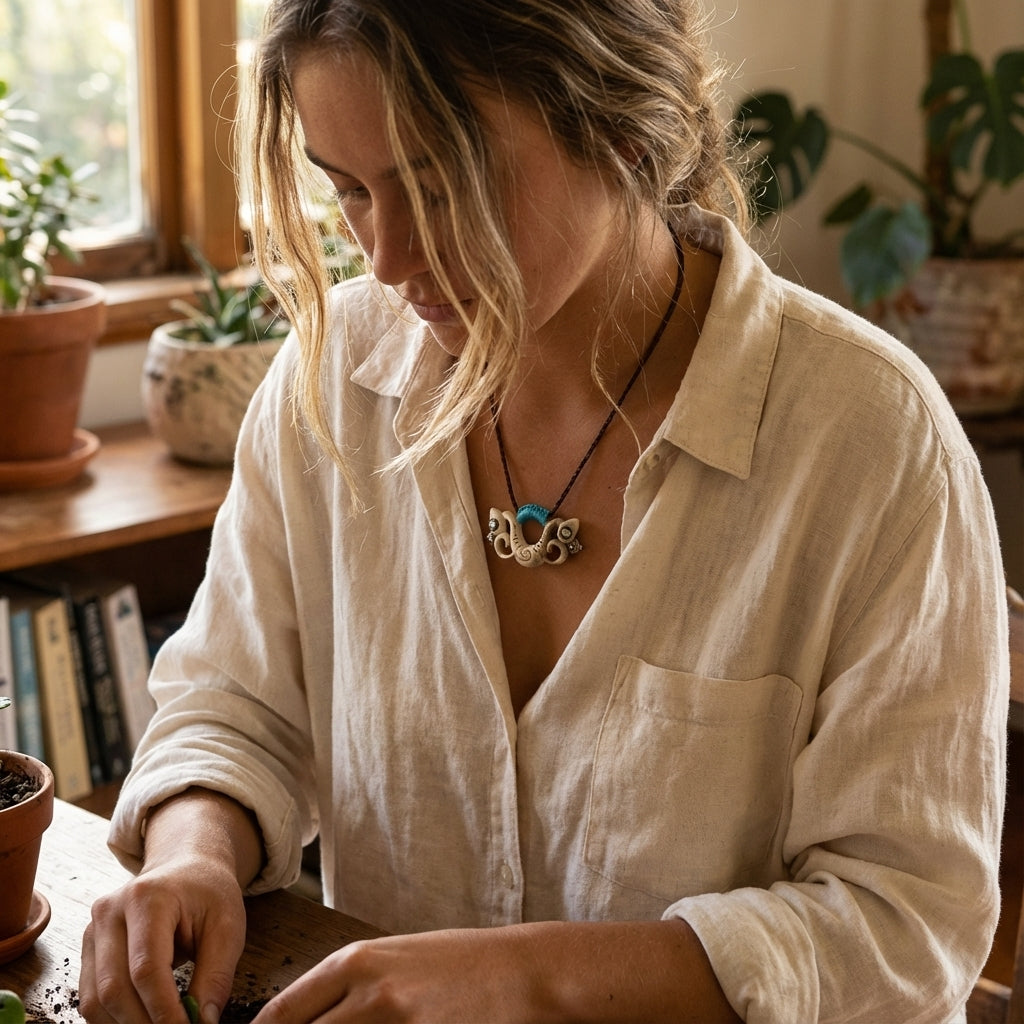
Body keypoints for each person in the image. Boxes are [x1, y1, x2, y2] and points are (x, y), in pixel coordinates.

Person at [79, 1, 1009, 1021]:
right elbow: (234, 703)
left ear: (619, 130)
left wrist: (526, 980)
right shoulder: (329, 385)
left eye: (439, 185)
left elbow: (906, 925)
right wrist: (192, 852)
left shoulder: (871, 441)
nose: (385, 258)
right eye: (348, 191)